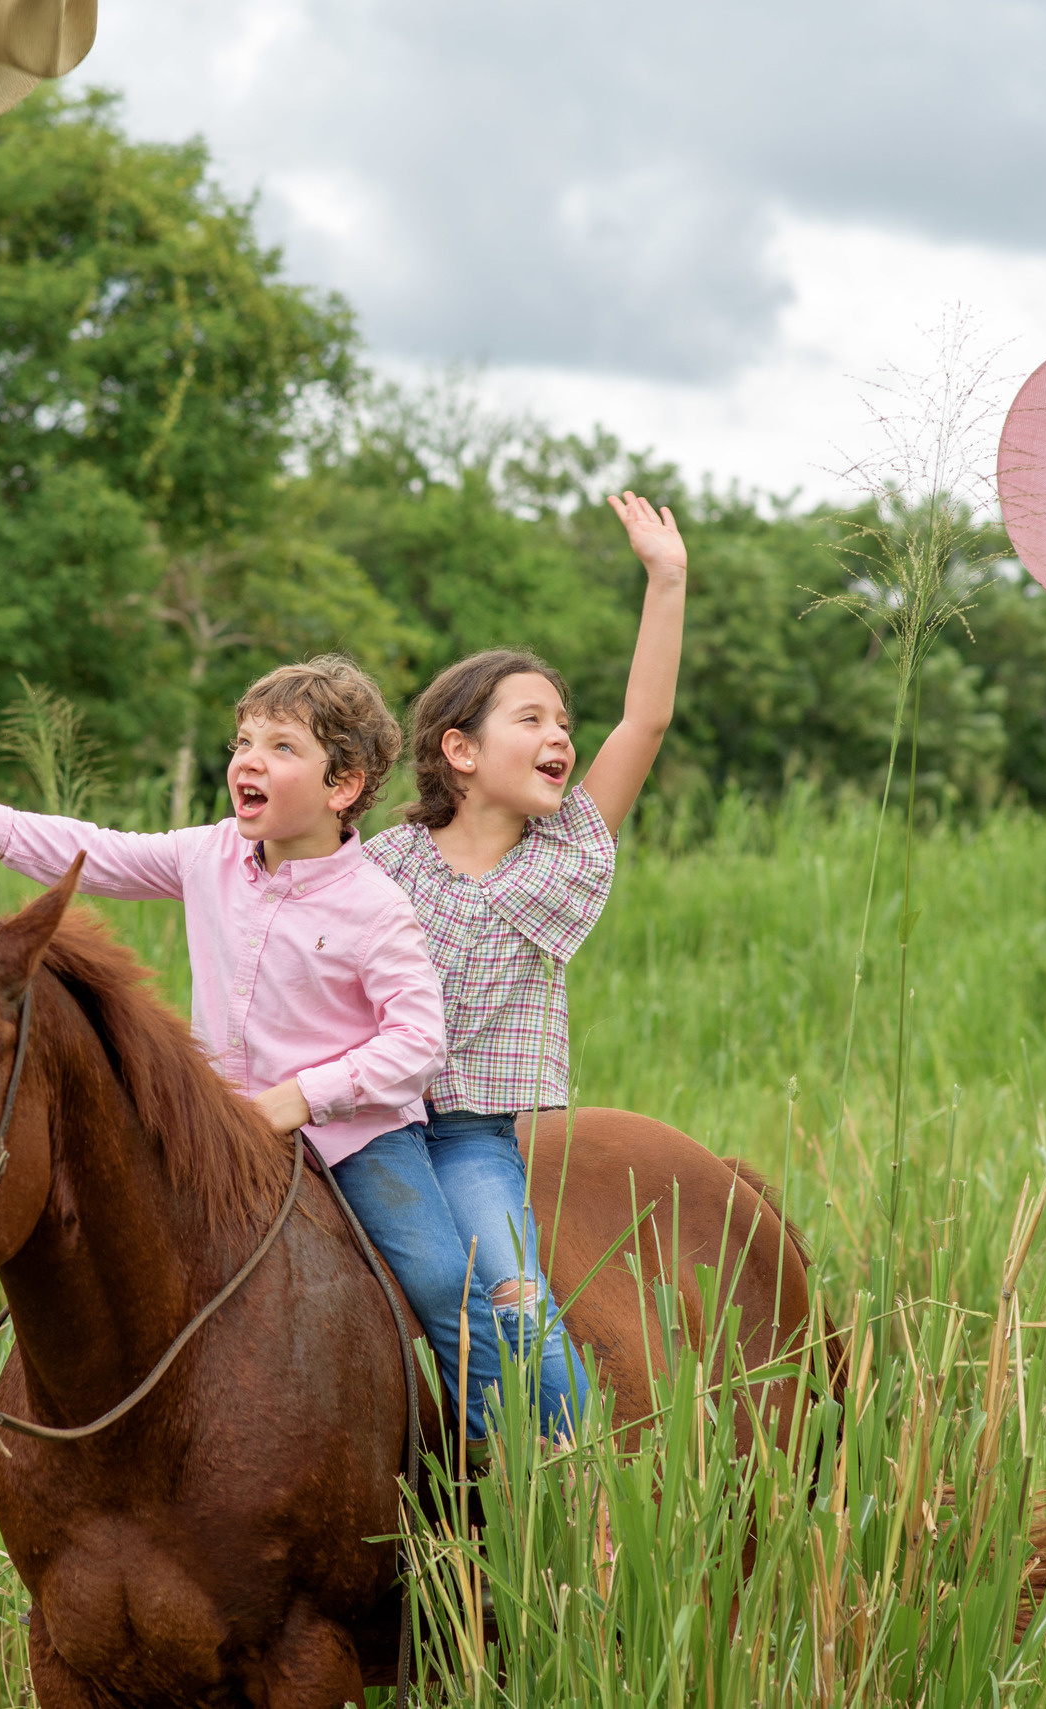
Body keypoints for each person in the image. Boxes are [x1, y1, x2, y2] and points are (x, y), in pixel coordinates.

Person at [0, 656, 522, 1442]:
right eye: (244, 740)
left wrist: (303, 1096)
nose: (248, 760)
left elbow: (418, 1042)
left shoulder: (375, 905)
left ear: (341, 785)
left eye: (282, 747)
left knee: (446, 1280)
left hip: (357, 1139)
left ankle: (498, 1458)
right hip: (217, 1128)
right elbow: (94, 851)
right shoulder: (209, 857)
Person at [359, 489, 690, 1446]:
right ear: (458, 749)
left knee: (515, 1298)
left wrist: (665, 581)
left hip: (467, 1138)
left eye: (562, 722)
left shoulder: (564, 857)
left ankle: (577, 1488)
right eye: (531, 719)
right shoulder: (382, 862)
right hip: (361, 1120)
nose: (560, 736)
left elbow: (645, 723)